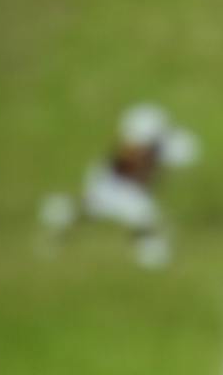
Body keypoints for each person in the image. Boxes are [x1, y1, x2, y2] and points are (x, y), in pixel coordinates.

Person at [39, 103, 199, 269]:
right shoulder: (130, 152)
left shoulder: (154, 148)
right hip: (113, 187)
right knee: (126, 214)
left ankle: (147, 248)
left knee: (136, 215)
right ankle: (148, 250)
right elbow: (132, 171)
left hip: (124, 190)